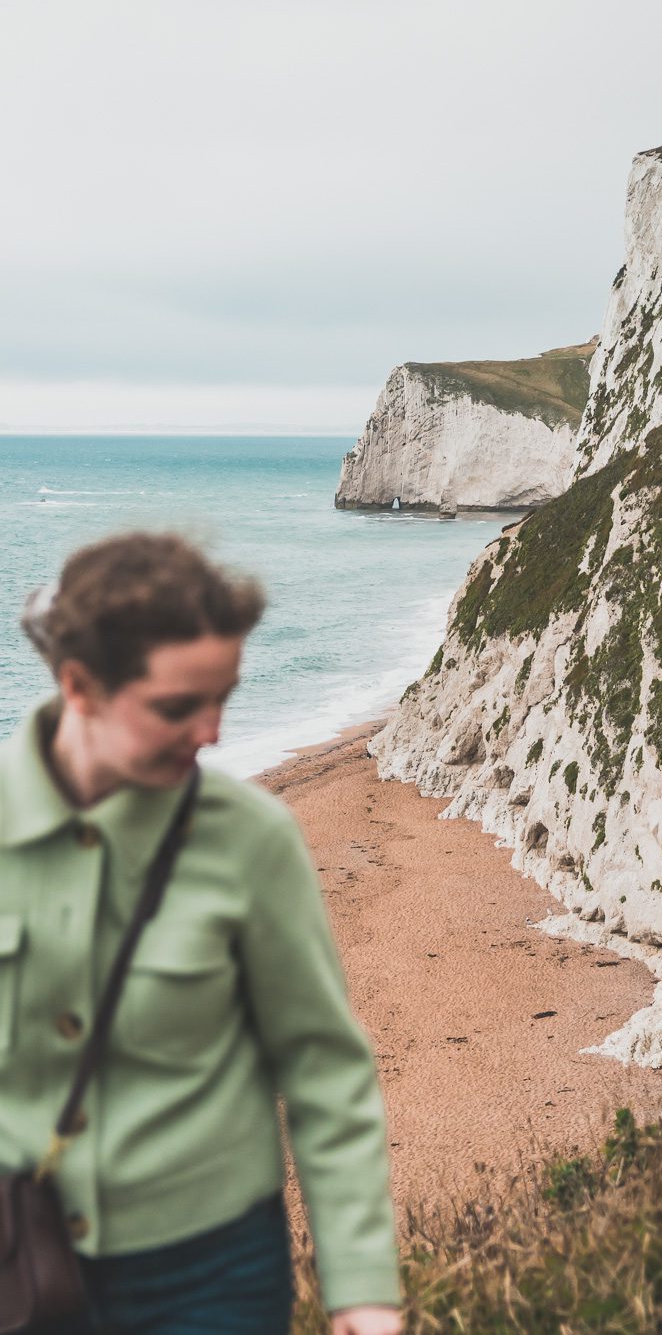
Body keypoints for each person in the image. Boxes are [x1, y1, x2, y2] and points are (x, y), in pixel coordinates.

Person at [0, 532, 403, 1335]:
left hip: (213, 1272)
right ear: (79, 686)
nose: (213, 732)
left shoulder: (252, 839)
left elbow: (325, 1068)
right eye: (178, 707)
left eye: (225, 697)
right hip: (19, 1260)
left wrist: (361, 1286)